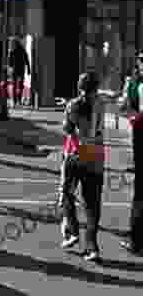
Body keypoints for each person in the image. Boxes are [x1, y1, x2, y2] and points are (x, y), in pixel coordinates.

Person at [59, 71, 105, 262]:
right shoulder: (101, 105)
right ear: (96, 88)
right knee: (92, 203)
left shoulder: (73, 105)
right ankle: (92, 246)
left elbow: (67, 128)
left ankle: (72, 230)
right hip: (95, 156)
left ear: (80, 88)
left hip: (75, 154)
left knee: (66, 193)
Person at [118, 54, 143, 255]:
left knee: (140, 195)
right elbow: (125, 108)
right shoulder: (136, 83)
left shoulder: (140, 85)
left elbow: (128, 111)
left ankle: (136, 240)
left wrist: (134, 116)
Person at [9, 37, 31, 108]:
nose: (12, 44)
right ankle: (18, 100)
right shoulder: (22, 50)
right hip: (20, 69)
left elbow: (10, 62)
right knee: (19, 85)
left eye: (13, 43)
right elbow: (27, 60)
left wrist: (10, 68)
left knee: (15, 85)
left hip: (16, 70)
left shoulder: (13, 50)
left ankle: (15, 100)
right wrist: (28, 70)